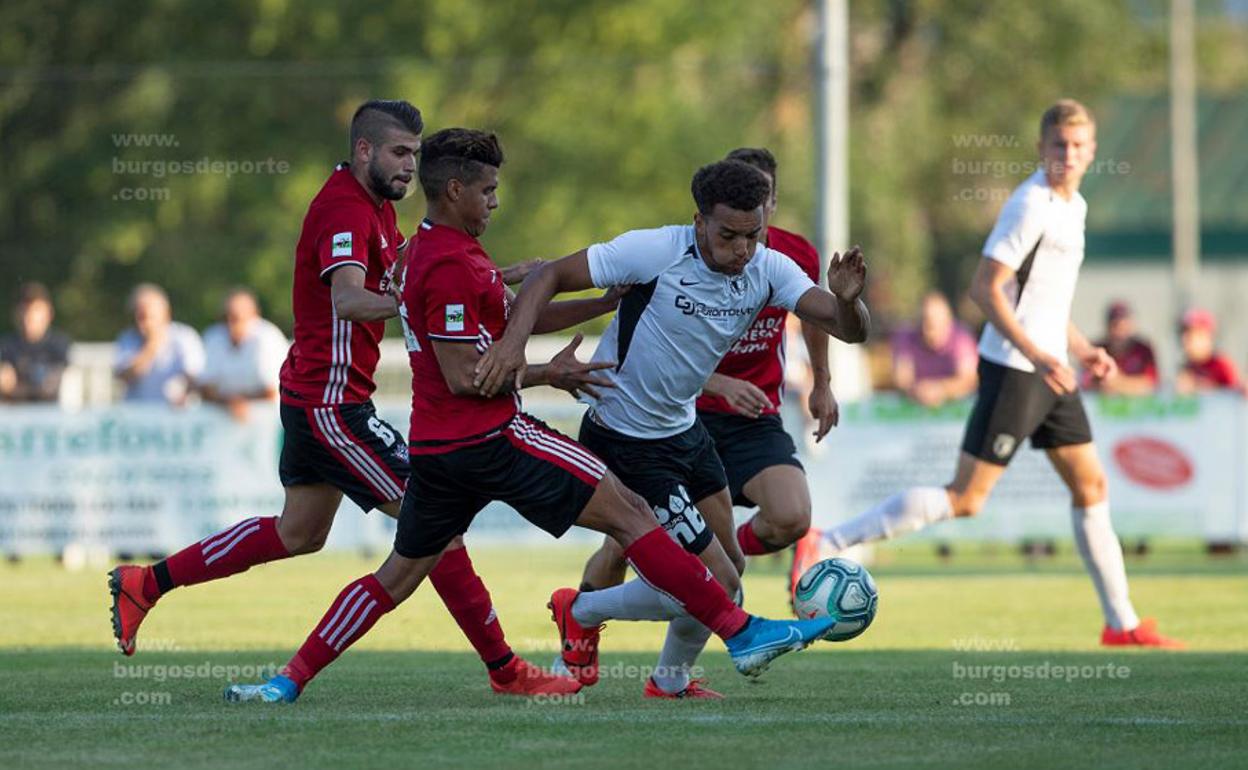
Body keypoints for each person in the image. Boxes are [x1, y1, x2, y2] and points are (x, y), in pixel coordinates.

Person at [223, 130, 837, 704]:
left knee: (396, 577)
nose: (495, 200)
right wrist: (551, 374)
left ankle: (286, 682)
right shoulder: (450, 266)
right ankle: (739, 629)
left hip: (437, 451)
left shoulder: (432, 253)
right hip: (493, 438)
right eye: (487, 189)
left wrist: (598, 303)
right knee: (630, 513)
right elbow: (470, 376)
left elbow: (514, 321)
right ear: (456, 190)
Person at [108, 101, 604, 698]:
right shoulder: (344, 210)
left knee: (299, 533)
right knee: (437, 528)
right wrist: (426, 298)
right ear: (364, 150)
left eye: (415, 155)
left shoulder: (376, 209)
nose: (408, 167)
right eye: (399, 153)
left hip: (316, 399)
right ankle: (506, 670)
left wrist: (489, 279)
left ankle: (148, 581)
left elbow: (417, 279)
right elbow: (349, 299)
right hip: (332, 406)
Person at [472, 158, 870, 698]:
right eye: (727, 235)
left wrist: (848, 302)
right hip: (625, 438)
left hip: (684, 431)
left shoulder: (769, 267)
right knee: (720, 584)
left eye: (752, 235)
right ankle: (582, 608)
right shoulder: (654, 250)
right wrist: (513, 344)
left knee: (731, 568)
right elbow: (550, 275)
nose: (741, 250)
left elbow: (848, 330)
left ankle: (667, 679)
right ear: (699, 221)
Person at [803, 99, 1182, 648]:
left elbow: (1046, 302)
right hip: (1016, 368)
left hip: (1050, 369)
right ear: (1041, 147)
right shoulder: (1029, 205)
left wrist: (1080, 349)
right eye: (1059, 145)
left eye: (1079, 147)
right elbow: (985, 289)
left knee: (1092, 485)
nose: (1069, 155)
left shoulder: (1071, 206)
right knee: (966, 499)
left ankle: (1121, 624)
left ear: (1093, 151)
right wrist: (1042, 353)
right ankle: (830, 538)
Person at [684, 148, 837, 598]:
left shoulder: (792, 256)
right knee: (626, 544)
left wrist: (822, 384)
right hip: (685, 417)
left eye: (763, 197)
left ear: (770, 203)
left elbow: (818, 316)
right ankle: (579, 626)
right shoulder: (685, 258)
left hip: (754, 417)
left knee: (791, 518)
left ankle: (721, 556)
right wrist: (716, 383)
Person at [199, 288, 288, 421]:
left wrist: (238, 402)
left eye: (235, 317)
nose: (230, 323)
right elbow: (205, 390)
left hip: (270, 424)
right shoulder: (214, 337)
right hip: (225, 424)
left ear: (254, 315)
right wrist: (231, 403)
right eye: (226, 317)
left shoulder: (267, 339)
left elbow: (273, 391)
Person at [113, 283, 204, 405]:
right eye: (138, 316)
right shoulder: (128, 338)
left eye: (146, 317)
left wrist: (185, 393)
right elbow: (123, 376)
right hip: (137, 415)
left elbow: (195, 375)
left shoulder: (185, 337)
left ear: (166, 314)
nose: (141, 324)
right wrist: (151, 346)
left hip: (176, 415)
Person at [890, 290, 979, 407]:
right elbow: (902, 380)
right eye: (922, 321)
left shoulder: (962, 338)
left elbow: (969, 380)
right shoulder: (905, 337)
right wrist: (919, 391)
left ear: (948, 322)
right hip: (915, 408)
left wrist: (941, 389)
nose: (926, 329)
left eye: (932, 323)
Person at [0, 282, 71, 403]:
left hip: (50, 415)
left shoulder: (58, 345)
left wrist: (14, 389)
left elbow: (49, 389)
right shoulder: (6, 346)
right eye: (25, 311)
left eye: (35, 311)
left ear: (48, 314)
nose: (29, 317)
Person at [1083, 300, 1157, 394]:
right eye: (1115, 325)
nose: (1120, 330)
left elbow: (1149, 384)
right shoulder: (1097, 349)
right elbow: (1087, 383)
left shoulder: (1143, 350)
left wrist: (1115, 382)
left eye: (1124, 325)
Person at [1175, 308, 1241, 394]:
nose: (1186, 340)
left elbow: (1236, 397)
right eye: (1184, 334)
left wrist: (1202, 387)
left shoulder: (1221, 365)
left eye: (1192, 335)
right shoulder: (1188, 368)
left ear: (1207, 338)